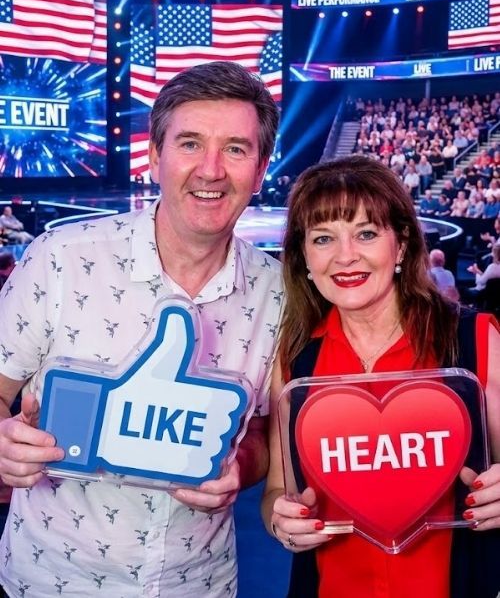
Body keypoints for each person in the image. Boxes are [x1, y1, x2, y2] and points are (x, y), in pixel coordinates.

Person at [0, 61, 283, 597]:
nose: (211, 170)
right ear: (154, 155)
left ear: (261, 167)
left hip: (199, 584)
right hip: (50, 583)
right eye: (190, 144)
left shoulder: (279, 293)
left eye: (236, 149)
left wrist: (239, 466)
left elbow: (264, 434)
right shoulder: (60, 259)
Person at [262, 155, 500, 598]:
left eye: (366, 233)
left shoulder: (476, 341)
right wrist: (281, 520)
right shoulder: (295, 362)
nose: (345, 256)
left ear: (402, 244)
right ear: (304, 257)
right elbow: (278, 487)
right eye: (323, 238)